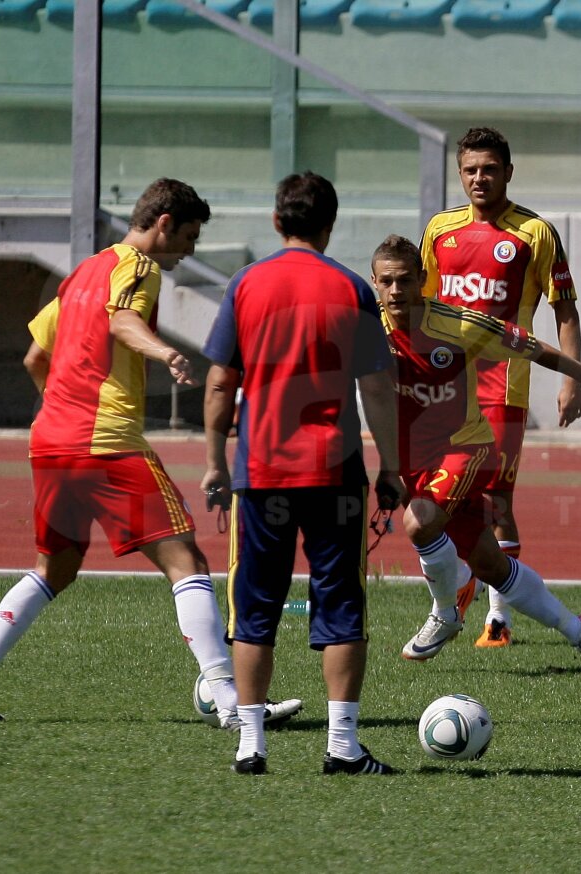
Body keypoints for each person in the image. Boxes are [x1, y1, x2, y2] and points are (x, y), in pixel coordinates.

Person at [0, 179, 301, 731]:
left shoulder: (84, 270)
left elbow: (36, 356)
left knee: (53, 569)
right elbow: (122, 320)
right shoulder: (140, 267)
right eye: (188, 235)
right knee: (189, 565)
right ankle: (233, 705)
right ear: (163, 223)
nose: (190, 249)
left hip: (53, 442)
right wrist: (164, 351)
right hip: (105, 442)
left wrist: (57, 409)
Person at [201, 172, 405, 777]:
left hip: (260, 474)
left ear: (276, 221)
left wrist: (215, 458)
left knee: (254, 604)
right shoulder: (352, 289)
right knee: (340, 604)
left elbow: (219, 383)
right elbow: (377, 387)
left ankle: (251, 744)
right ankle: (342, 746)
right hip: (334, 474)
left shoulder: (245, 285)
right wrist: (391, 466)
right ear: (330, 224)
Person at [371, 235, 581, 671]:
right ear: (374, 283)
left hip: (465, 448)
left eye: (405, 280)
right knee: (492, 565)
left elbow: (531, 347)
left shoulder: (458, 323)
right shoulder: (367, 330)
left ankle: (445, 613)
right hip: (413, 463)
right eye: (387, 282)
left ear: (423, 281)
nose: (396, 291)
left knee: (420, 522)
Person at [420, 127, 581, 648]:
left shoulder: (534, 233)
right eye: (470, 169)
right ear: (459, 173)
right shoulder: (439, 231)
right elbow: (420, 310)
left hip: (502, 387)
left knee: (495, 500)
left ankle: (499, 619)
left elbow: (564, 309)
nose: (479, 178)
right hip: (444, 388)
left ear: (508, 172)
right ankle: (456, 592)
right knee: (432, 499)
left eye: (489, 169)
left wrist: (572, 380)